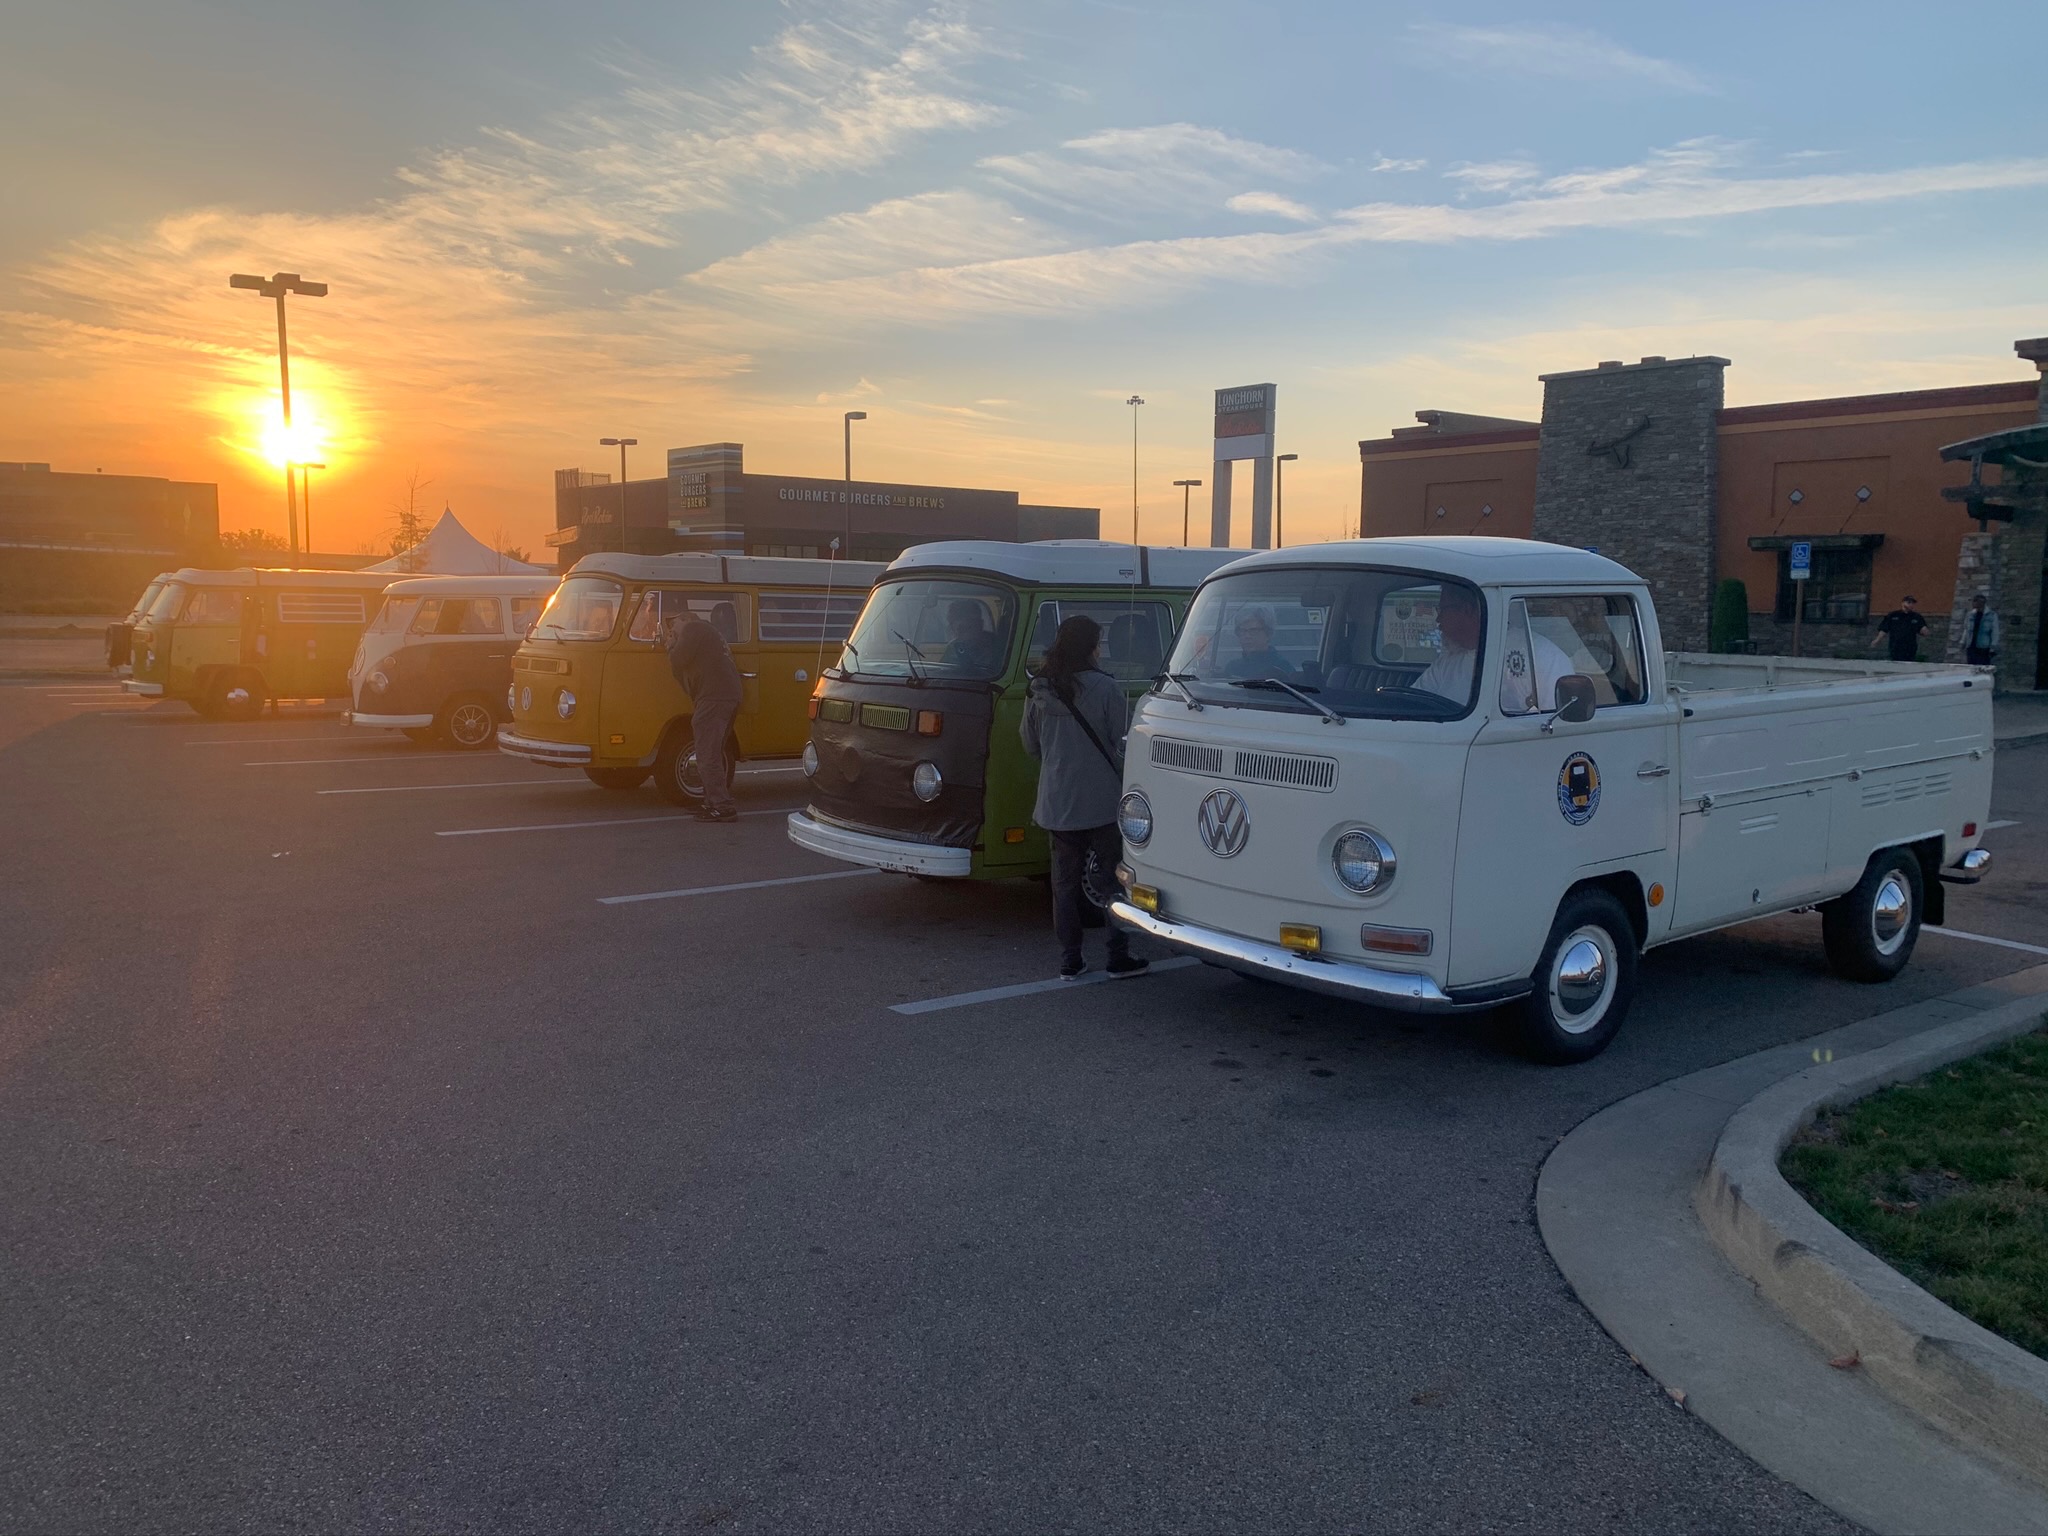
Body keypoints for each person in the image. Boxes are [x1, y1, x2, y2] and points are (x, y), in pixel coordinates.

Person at [1020, 614, 1148, 982]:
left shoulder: (1039, 689)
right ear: (1092, 648)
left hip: (1057, 803)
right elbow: (1124, 743)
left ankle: (1070, 960)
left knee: (1064, 886)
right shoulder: (1106, 688)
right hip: (1102, 802)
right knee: (1113, 882)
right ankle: (1117, 957)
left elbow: (1030, 743)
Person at [665, 608, 744, 821]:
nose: (672, 629)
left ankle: (722, 806)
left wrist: (671, 646)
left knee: (707, 755)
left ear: (685, 618)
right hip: (725, 696)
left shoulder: (693, 628)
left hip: (714, 697)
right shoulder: (709, 632)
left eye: (674, 624)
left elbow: (679, 660)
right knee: (713, 752)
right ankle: (712, 802)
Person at [1224, 604, 1298, 680]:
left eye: (1253, 630)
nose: (1247, 636)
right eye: (1242, 631)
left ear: (1268, 633)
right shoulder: (1232, 668)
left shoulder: (1283, 668)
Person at [942, 599, 1000, 673]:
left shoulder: (996, 647)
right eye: (952, 623)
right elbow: (943, 672)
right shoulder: (953, 646)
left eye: (965, 627)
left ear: (980, 623)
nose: (958, 631)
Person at [1871, 595, 1929, 663]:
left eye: (1912, 603)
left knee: (1909, 664)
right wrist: (1877, 640)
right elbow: (1884, 629)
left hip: (1910, 647)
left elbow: (1923, 630)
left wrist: (1925, 631)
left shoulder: (1917, 617)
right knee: (1895, 663)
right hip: (1895, 646)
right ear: (1903, 603)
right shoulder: (1893, 615)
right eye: (1909, 602)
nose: (1911, 605)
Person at [1961, 593, 1999, 668]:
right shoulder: (1970, 615)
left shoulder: (1991, 615)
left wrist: (1993, 647)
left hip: (1983, 647)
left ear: (1981, 603)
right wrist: (1963, 641)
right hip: (1971, 646)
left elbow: (1995, 632)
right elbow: (1966, 629)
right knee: (1971, 666)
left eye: (1975, 601)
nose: (1973, 603)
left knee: (1982, 666)